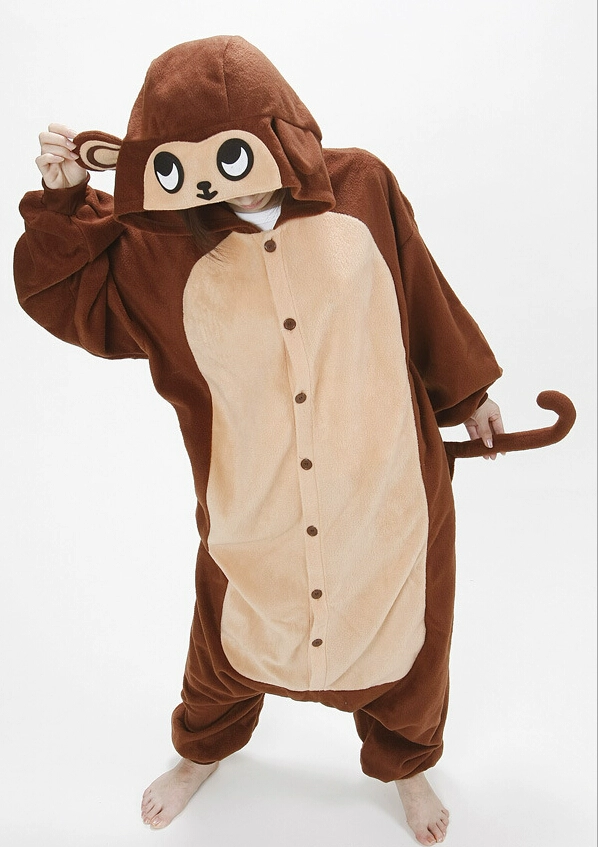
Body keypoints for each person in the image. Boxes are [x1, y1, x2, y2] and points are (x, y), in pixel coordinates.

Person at [15, 36, 505, 846]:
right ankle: (201, 751)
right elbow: (67, 296)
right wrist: (64, 203)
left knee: (408, 644)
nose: (217, 182)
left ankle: (406, 762)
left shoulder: (362, 186)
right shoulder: (160, 247)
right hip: (252, 500)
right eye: (188, 164)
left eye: (234, 152)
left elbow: (418, 288)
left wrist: (470, 394)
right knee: (227, 643)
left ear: (278, 128)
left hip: (384, 486)